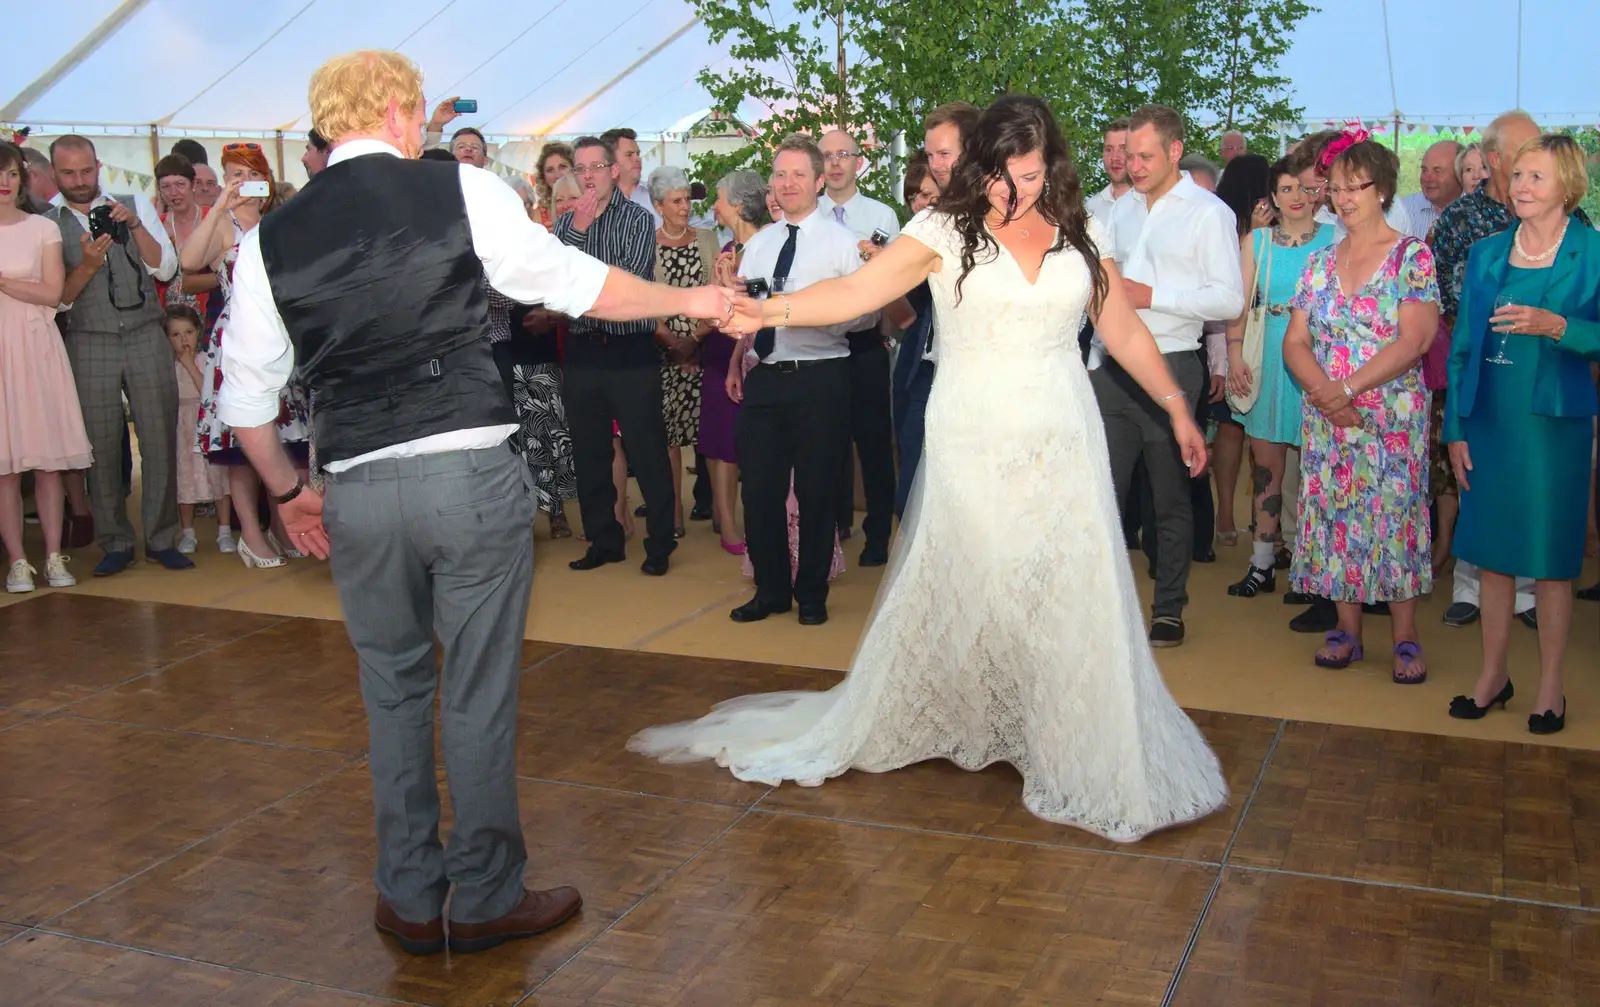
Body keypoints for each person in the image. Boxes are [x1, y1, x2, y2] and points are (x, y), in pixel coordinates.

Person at [218, 50, 731, 956]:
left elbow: (246, 405)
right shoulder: (460, 189)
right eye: (417, 109)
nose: (422, 123)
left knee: (392, 688)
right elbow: (573, 283)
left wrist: (293, 493)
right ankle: (487, 893)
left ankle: (410, 895)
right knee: (479, 688)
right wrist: (689, 296)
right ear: (396, 110)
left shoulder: (272, 236)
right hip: (466, 474)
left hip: (356, 486)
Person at [630, 96, 1227, 843]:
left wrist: (1175, 406)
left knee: (1069, 580)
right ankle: (974, 710)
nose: (1019, 191)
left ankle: (1071, 736)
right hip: (973, 429)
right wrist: (769, 312)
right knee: (984, 574)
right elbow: (856, 293)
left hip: (1061, 430)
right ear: (981, 166)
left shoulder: (1082, 225)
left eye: (1035, 174)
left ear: (1055, 166)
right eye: (1006, 175)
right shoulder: (943, 226)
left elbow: (1121, 326)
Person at [1444, 134, 1600, 735]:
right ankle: (1492, 676)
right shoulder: (1486, 253)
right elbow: (1460, 350)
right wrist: (1455, 429)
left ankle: (1552, 687)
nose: (1521, 187)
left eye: (1536, 177)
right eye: (1517, 177)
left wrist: (1558, 325)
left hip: (1552, 427)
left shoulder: (1591, 251)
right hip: (1489, 422)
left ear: (1567, 184)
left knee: (1552, 561)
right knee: (1491, 557)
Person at [1281, 129, 1438, 683]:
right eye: (1337, 189)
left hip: (1389, 421)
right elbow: (1294, 342)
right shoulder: (1319, 262)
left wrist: (1345, 390)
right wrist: (1326, 393)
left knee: (1393, 519)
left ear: (1383, 189)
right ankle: (1347, 630)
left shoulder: (1411, 257)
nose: (1343, 198)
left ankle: (1405, 638)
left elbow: (1414, 341)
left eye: (1356, 187)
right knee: (1334, 520)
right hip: (1328, 418)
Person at [47, 135, 191, 575]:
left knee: (159, 437)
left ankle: (162, 538)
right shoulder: (46, 222)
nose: (79, 181)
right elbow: (55, 300)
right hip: (89, 339)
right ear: (55, 173)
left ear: (98, 165)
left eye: (86, 171)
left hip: (147, 332)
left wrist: (136, 225)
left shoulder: (130, 203)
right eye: (68, 173)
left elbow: (165, 268)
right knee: (102, 444)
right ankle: (115, 541)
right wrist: (87, 264)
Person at [182, 142, 310, 569]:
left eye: (249, 173)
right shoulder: (223, 223)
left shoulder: (279, 224)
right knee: (241, 446)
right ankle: (251, 536)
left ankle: (281, 523)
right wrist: (220, 204)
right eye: (233, 174)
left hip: (281, 340)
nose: (242, 182)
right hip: (235, 339)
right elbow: (187, 262)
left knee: (287, 442)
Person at [1225, 154, 1335, 597]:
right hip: (1267, 356)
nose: (1297, 197)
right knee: (1266, 467)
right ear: (1272, 196)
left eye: (1305, 189)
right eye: (1286, 189)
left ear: (1318, 193)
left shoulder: (1335, 239)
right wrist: (1234, 355)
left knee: (1315, 471)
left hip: (1317, 359)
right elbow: (1239, 301)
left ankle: (1312, 568)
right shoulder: (1257, 242)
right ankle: (1262, 564)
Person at [0, 142, 92, 592]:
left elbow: (52, 293)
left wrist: (2, 280)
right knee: (5, 466)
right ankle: (18, 559)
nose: (4, 183)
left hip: (36, 345)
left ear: (22, 179)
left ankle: (55, 554)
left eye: (12, 175)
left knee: (48, 461)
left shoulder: (42, 228)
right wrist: (24, 286)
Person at [894, 103, 980, 518]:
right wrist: (776, 312)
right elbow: (859, 292)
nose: (936, 164)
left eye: (944, 154)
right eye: (930, 154)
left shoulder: (1011, 216)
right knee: (912, 469)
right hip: (928, 367)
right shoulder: (930, 223)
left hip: (989, 384)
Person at [164, 304, 234, 554]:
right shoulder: (167, 367)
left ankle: (224, 531)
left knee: (218, 477)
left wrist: (188, 363)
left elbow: (206, 391)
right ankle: (188, 532)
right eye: (175, 334)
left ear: (199, 332)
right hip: (182, 428)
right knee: (185, 477)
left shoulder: (206, 360)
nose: (183, 339)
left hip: (206, 424)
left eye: (189, 332)